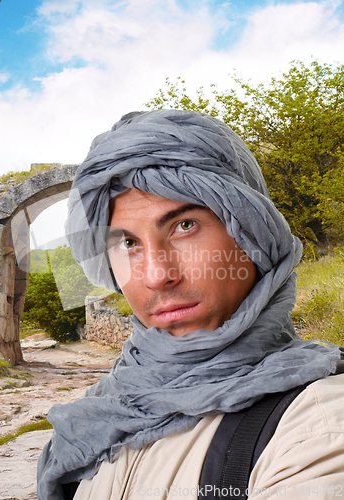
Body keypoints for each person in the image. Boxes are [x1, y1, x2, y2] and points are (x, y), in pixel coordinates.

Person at [37, 110, 344, 500]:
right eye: (127, 242)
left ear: (252, 234)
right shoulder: (100, 410)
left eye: (184, 226)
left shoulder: (319, 424)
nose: (155, 275)